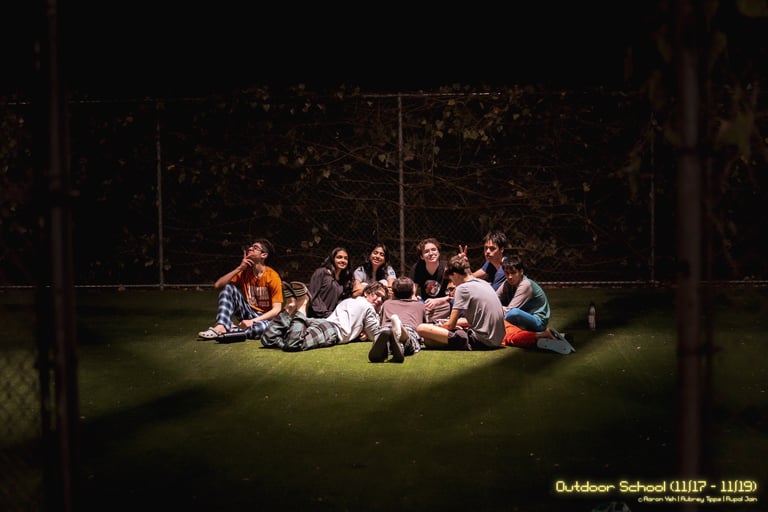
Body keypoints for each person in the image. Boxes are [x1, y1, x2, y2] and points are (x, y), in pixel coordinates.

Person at [261, 282, 389, 352]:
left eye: (382, 299)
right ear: (366, 293)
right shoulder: (368, 307)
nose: (379, 300)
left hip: (320, 323)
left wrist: (361, 332)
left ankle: (289, 308)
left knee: (269, 339)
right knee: (293, 344)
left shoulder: (349, 300)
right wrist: (367, 333)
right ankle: (303, 303)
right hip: (331, 330)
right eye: (377, 295)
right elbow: (374, 335)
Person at [197, 238, 283, 341]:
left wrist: (253, 321)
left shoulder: (272, 277)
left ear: (263, 255)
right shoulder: (244, 273)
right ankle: (221, 326)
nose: (250, 249)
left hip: (265, 318)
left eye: (255, 248)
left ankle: (232, 331)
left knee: (263, 329)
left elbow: (276, 310)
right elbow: (218, 285)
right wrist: (239, 268)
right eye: (251, 247)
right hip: (248, 312)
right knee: (228, 288)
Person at [416, 255, 506, 350]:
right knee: (429, 341)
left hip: (481, 341)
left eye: (451, 279)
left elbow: (450, 325)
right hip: (497, 340)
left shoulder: (462, 288)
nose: (454, 283)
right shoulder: (484, 284)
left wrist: (438, 326)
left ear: (455, 275)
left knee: (421, 328)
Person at [499, 256, 575, 354]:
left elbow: (509, 311)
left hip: (538, 322)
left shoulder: (525, 285)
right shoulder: (507, 283)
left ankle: (540, 334)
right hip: (527, 322)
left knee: (513, 313)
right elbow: (493, 299)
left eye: (513, 273)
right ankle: (552, 336)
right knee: (507, 320)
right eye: (507, 273)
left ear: (521, 272)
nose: (510, 277)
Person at [369, 276, 426, 363]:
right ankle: (401, 332)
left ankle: (385, 347)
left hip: (387, 327)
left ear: (394, 293)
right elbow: (423, 328)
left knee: (383, 333)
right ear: (412, 292)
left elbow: (381, 324)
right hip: (409, 328)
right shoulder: (420, 305)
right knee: (409, 341)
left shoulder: (387, 304)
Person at [408, 238, 451, 322]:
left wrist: (437, 301)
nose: (431, 253)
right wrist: (415, 299)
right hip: (425, 304)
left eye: (433, 250)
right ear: (422, 256)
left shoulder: (447, 267)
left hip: (444, 304)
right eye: (426, 251)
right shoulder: (417, 268)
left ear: (439, 252)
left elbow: (454, 296)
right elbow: (412, 293)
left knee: (448, 306)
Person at [307, 247, 354, 318]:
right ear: (333, 258)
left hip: (333, 317)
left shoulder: (344, 279)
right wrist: (325, 313)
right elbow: (313, 295)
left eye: (345, 258)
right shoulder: (321, 272)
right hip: (316, 316)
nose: (343, 260)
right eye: (339, 257)